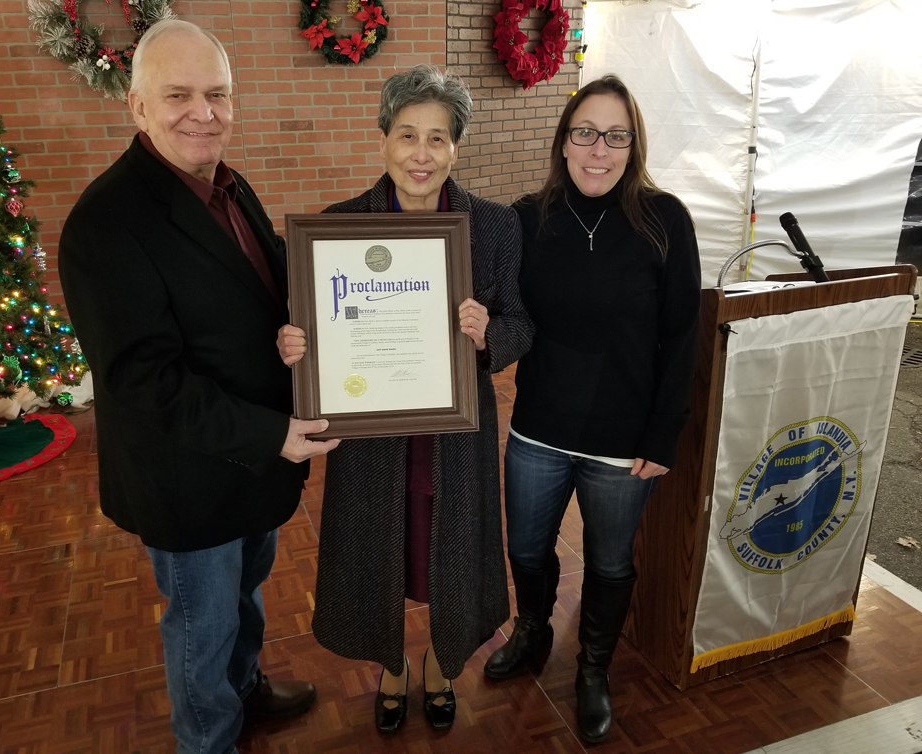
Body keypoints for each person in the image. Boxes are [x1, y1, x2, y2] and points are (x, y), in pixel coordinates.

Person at [58, 20, 338, 754]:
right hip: (187, 476)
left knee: (243, 598)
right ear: (137, 106)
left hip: (250, 466)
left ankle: (244, 691)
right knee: (200, 625)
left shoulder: (227, 183)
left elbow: (270, 281)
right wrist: (274, 431)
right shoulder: (106, 222)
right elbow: (142, 381)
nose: (203, 111)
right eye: (178, 94)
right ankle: (208, 740)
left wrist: (308, 327)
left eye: (217, 93)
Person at [277, 65, 534, 733]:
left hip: (456, 436)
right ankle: (391, 667)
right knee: (380, 549)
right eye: (407, 135)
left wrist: (487, 335)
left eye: (439, 139)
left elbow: (521, 324)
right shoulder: (337, 229)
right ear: (384, 138)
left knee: (448, 551)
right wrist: (297, 346)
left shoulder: (495, 227)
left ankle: (441, 668)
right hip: (374, 435)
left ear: (457, 147)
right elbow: (310, 333)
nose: (421, 155)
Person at [482, 74, 701, 745]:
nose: (598, 148)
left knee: (609, 563)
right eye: (584, 132)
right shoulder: (527, 218)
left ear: (633, 145)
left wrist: (662, 436)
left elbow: (682, 334)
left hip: (622, 440)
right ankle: (534, 631)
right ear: (564, 141)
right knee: (525, 547)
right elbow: (498, 309)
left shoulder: (664, 220)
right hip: (539, 429)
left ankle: (594, 670)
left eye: (615, 135)